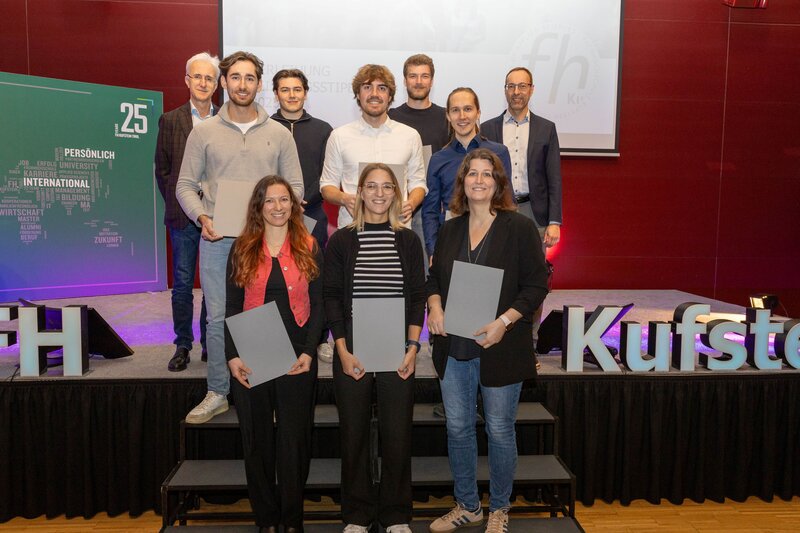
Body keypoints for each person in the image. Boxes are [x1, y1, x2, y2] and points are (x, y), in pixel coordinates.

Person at [177, 50, 303, 424]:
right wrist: (201, 216)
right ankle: (217, 391)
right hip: (218, 240)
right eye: (235, 77)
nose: (242, 84)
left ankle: (266, 388)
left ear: (259, 85)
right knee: (218, 317)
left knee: (264, 312)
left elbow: (294, 185)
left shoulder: (279, 134)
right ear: (224, 82)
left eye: (250, 78)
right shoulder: (203, 133)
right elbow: (184, 185)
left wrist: (281, 214)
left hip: (268, 239)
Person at [426, 149, 549, 533]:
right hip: (454, 347)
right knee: (458, 429)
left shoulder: (519, 227)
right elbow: (433, 281)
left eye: (487, 174)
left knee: (499, 430)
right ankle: (467, 505)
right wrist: (434, 307)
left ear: (498, 183)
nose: (478, 180)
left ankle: (498, 508)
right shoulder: (448, 230)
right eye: (471, 174)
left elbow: (536, 285)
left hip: (501, 346)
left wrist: (506, 321)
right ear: (462, 182)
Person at [323, 164, 426, 533]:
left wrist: (412, 347)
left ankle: (396, 514)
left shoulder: (409, 241)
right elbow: (332, 298)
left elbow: (417, 298)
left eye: (387, 187)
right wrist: (342, 350)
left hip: (398, 350)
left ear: (396, 194)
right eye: (371, 186)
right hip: (352, 350)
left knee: (397, 434)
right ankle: (357, 514)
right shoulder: (342, 240)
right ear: (360, 192)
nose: (379, 193)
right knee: (354, 434)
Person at [224, 175, 323, 533]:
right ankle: (266, 520)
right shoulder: (242, 247)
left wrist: (310, 352)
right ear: (259, 207)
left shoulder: (310, 244)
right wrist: (232, 356)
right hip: (252, 349)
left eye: (284, 200)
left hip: (298, 353)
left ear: (293, 206)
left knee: (294, 441)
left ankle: (292, 520)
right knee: (257, 440)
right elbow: (232, 305)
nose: (278, 207)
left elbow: (321, 303)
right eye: (269, 201)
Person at [481, 67, 562, 357]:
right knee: (495, 275)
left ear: (531, 89)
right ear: (505, 90)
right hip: (497, 211)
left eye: (522, 86)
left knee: (533, 278)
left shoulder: (546, 128)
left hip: (533, 212)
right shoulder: (487, 128)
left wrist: (554, 221)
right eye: (511, 86)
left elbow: (554, 177)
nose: (516, 92)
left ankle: (528, 340)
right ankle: (494, 336)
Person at [154, 51, 219, 372]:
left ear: (217, 83)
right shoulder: (170, 120)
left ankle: (210, 342)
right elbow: (163, 171)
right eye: (198, 76)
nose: (203, 82)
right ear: (187, 81)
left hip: (219, 218)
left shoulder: (227, 121)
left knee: (212, 284)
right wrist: (182, 203)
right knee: (182, 284)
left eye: (209, 77)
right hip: (182, 218)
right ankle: (182, 344)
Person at [270, 68, 335, 363]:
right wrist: (283, 204)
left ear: (306, 92)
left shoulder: (323, 129)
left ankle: (320, 338)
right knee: (277, 277)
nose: (292, 95)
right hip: (273, 216)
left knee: (314, 277)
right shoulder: (265, 127)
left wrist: (301, 200)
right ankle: (282, 337)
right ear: (275, 94)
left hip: (313, 212)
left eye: (297, 89)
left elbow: (328, 174)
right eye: (285, 89)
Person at [320, 64, 427, 230]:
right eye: (367, 87)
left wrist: (412, 203)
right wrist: (344, 198)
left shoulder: (410, 136)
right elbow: (327, 186)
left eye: (382, 88)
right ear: (358, 94)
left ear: (390, 96)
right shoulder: (339, 136)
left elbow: (418, 183)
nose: (374, 94)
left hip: (398, 229)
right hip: (352, 229)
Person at [422, 87, 512, 259]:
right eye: (455, 110)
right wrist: (433, 250)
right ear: (448, 116)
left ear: (478, 113)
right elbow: (430, 211)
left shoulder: (499, 153)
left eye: (468, 109)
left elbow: (507, 200)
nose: (462, 116)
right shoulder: (438, 159)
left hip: (492, 240)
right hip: (451, 241)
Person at [388, 53, 449, 269]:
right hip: (397, 207)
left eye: (424, 76)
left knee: (429, 270)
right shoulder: (390, 117)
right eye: (413, 76)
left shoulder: (447, 118)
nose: (419, 81)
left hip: (432, 209)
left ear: (432, 80)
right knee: (398, 269)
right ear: (404, 80)